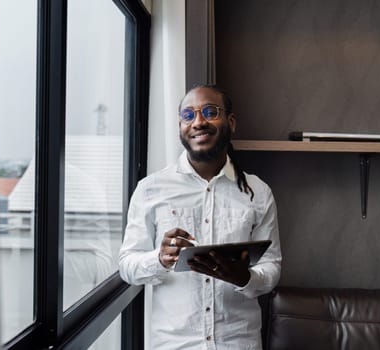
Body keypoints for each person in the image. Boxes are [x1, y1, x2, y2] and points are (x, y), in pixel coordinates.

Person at [118, 85, 282, 349]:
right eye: (188, 115)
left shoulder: (258, 192)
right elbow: (127, 266)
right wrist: (159, 259)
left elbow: (272, 267)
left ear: (230, 122)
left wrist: (245, 278)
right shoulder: (150, 189)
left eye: (209, 112)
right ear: (180, 126)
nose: (198, 122)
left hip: (238, 343)